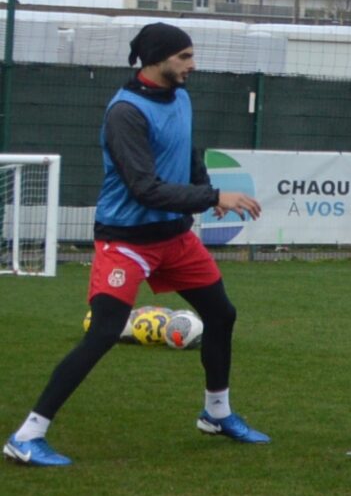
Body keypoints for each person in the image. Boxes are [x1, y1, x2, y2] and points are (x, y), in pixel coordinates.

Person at [6, 24, 268, 468]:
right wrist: (212, 197)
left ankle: (216, 413)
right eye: (184, 57)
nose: (192, 64)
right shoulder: (125, 113)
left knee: (222, 314)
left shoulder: (181, 97)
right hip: (126, 241)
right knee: (105, 331)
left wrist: (205, 189)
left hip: (175, 238)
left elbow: (188, 153)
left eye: (192, 55)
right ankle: (28, 435)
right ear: (155, 59)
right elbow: (145, 188)